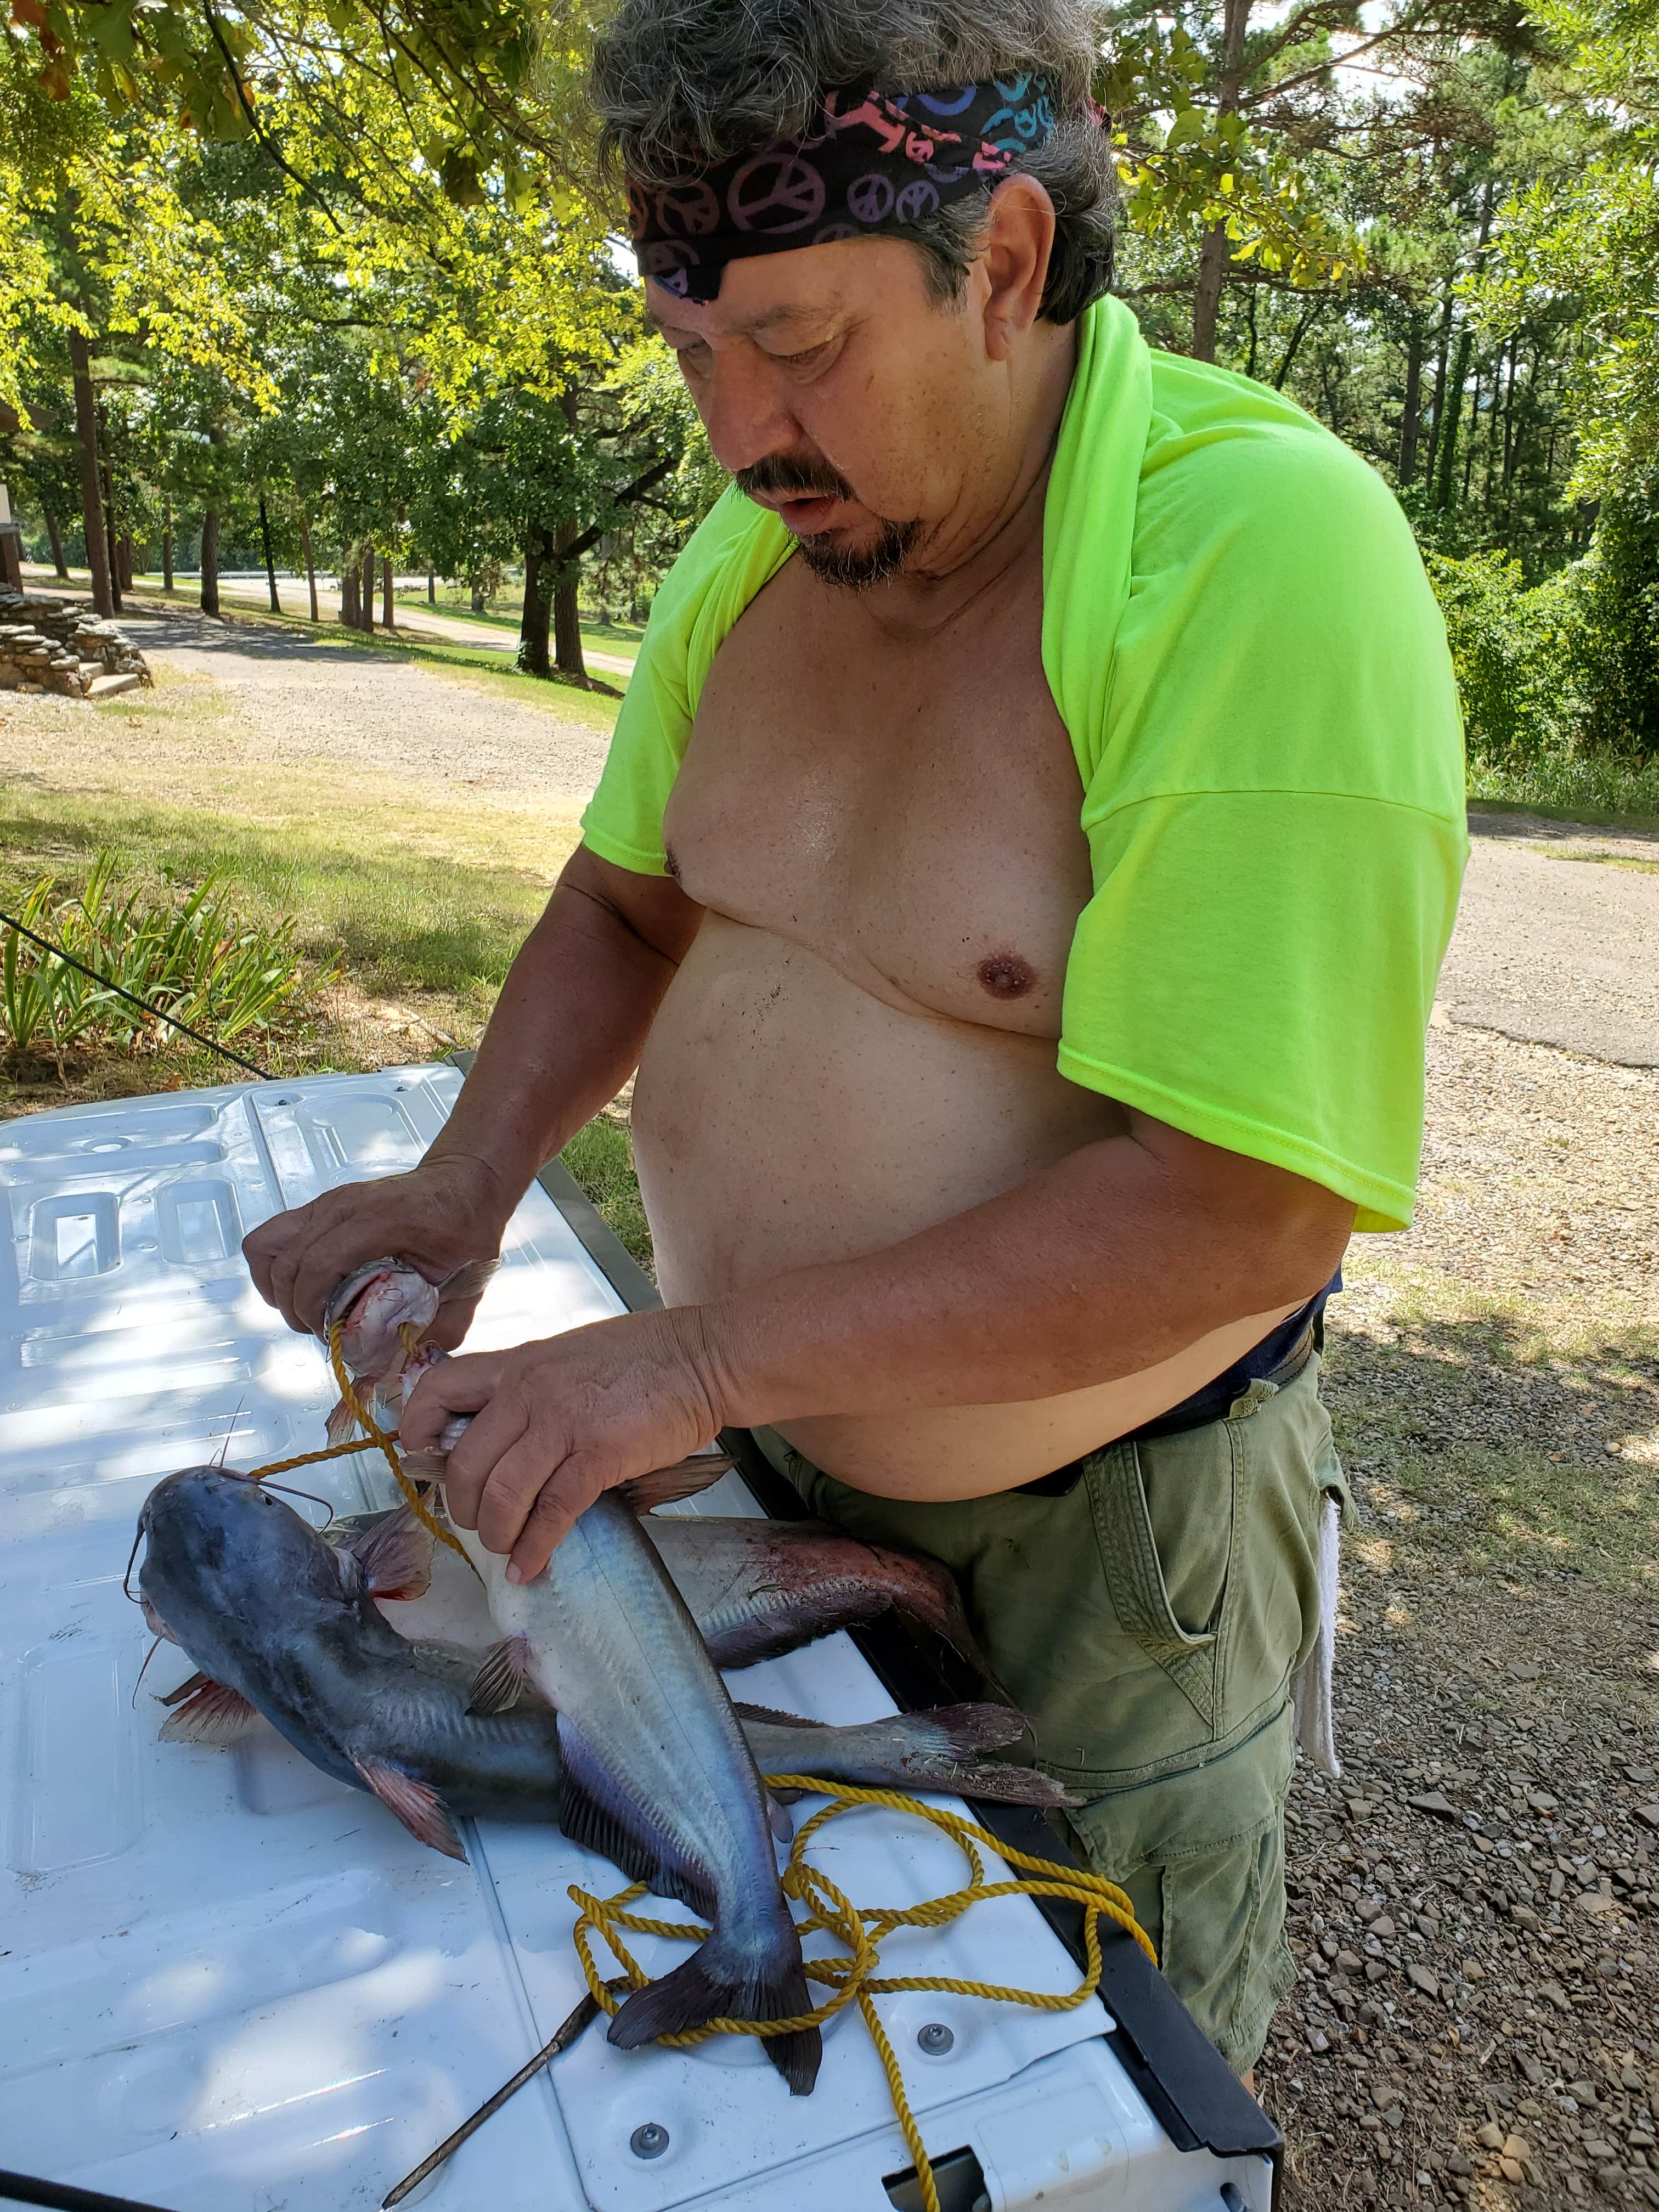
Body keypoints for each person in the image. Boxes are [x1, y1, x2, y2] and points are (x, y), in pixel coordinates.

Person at [244, 0, 1466, 2075]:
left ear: (1002, 264)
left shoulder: (1257, 556)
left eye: (799, 348)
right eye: (690, 353)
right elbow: (630, 898)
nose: (737, 435)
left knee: (1086, 2079)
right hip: (769, 1459)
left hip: (1101, 1541)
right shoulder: (766, 546)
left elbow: (1248, 1208)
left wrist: (691, 1357)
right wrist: (467, 1192)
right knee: (808, 2068)